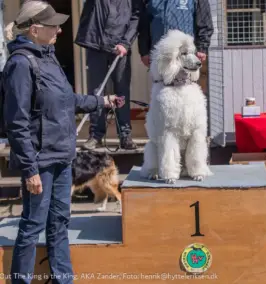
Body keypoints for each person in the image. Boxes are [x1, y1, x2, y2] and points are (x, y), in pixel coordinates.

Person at [2, 1, 124, 283]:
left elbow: (67, 101)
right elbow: (17, 122)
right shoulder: (20, 64)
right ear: (34, 29)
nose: (59, 29)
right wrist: (30, 169)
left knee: (59, 223)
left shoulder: (49, 57)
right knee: (32, 226)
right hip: (40, 163)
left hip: (62, 156)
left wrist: (101, 102)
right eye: (53, 25)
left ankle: (63, 280)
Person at [74, 0, 142, 150]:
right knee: (96, 92)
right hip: (96, 44)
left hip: (120, 46)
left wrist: (126, 42)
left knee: (122, 91)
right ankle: (96, 135)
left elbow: (136, 16)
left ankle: (125, 135)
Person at [137, 0, 214, 67]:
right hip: (160, 56)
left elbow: (205, 23)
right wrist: (144, 51)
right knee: (159, 83)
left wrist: (202, 48)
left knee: (186, 83)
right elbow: (144, 26)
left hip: (185, 56)